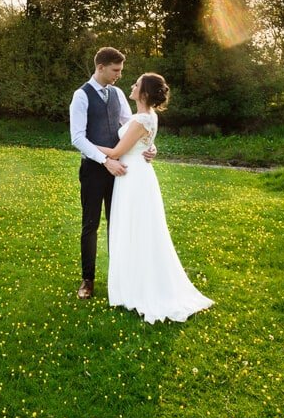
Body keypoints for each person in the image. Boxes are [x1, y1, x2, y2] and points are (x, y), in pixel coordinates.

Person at [96, 73, 214, 323]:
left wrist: (86, 144)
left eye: (137, 84)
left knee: (136, 229)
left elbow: (118, 151)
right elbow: (141, 144)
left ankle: (139, 288)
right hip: (138, 175)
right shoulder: (149, 116)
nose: (132, 85)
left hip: (134, 178)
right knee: (138, 230)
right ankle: (134, 282)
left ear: (145, 93)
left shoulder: (141, 119)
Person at [69, 47, 154, 300]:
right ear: (101, 67)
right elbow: (77, 138)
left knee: (118, 224)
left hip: (121, 172)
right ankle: (88, 280)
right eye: (115, 70)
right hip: (94, 171)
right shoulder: (81, 96)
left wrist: (150, 146)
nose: (119, 75)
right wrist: (106, 160)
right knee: (91, 225)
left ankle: (120, 278)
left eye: (121, 70)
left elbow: (133, 127)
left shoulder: (117, 94)